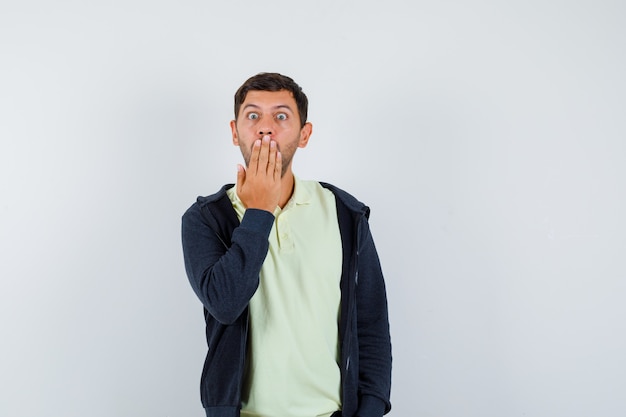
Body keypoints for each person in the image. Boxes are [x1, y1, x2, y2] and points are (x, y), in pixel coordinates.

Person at [181, 72, 392, 417]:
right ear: (235, 131)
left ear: (304, 134)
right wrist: (259, 212)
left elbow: (371, 323)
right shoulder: (206, 218)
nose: (266, 127)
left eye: (281, 116)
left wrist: (370, 408)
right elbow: (225, 303)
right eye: (253, 116)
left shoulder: (344, 213)